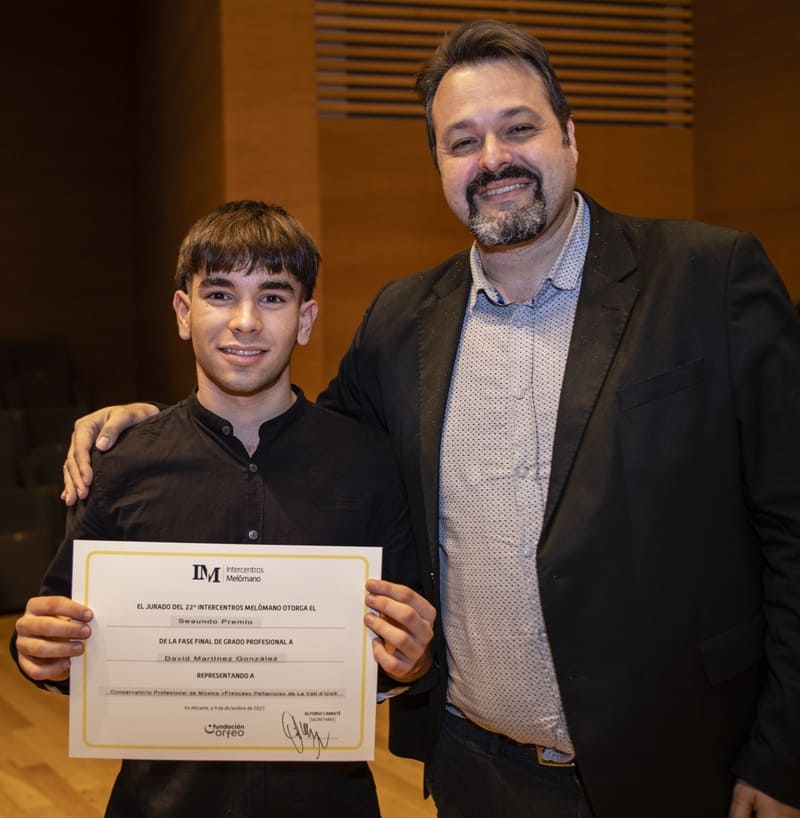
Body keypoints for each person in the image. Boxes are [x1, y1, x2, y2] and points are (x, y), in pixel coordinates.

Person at [58, 19, 800, 818]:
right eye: (462, 141)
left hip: (686, 766)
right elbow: (295, 445)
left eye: (518, 128)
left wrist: (784, 755)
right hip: (478, 771)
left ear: (571, 136)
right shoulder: (403, 319)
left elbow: (791, 523)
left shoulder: (708, 278)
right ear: (439, 165)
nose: (493, 160)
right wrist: (152, 424)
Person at [12, 199, 435, 818]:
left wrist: (415, 657)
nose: (245, 321)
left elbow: (402, 651)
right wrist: (40, 655)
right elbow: (63, 640)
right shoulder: (123, 463)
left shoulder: (370, 463)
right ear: (184, 312)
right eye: (218, 294)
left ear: (306, 318)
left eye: (272, 296)